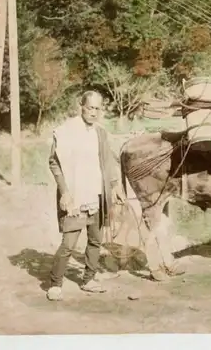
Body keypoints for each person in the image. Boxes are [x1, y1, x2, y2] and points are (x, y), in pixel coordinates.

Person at [46, 90, 126, 301]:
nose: (93, 112)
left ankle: (88, 279)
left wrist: (115, 187)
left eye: (98, 108)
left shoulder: (100, 133)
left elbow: (107, 162)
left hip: (97, 194)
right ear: (80, 106)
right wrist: (64, 192)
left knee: (95, 240)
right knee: (69, 244)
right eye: (90, 107)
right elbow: (54, 162)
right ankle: (55, 283)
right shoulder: (66, 131)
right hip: (76, 194)